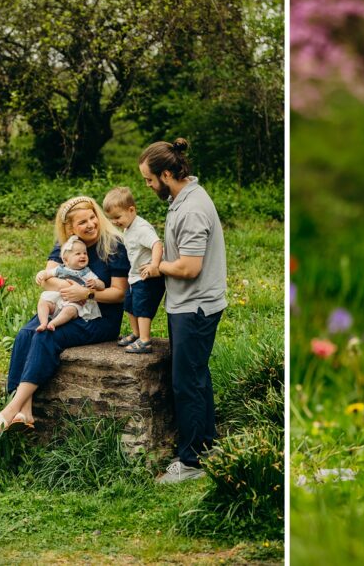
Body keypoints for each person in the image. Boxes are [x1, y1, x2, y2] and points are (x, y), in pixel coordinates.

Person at [0, 196, 130, 434]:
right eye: (83, 222)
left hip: (99, 317)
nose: (91, 224)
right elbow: (46, 282)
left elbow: (120, 294)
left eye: (93, 217)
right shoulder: (66, 245)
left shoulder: (113, 246)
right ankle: (25, 411)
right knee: (26, 333)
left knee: (46, 335)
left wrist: (86, 293)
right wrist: (69, 289)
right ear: (70, 228)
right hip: (65, 308)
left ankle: (10, 410)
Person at [137, 137, 227, 483]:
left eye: (149, 179)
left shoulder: (191, 209)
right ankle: (207, 446)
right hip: (189, 303)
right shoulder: (183, 197)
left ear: (167, 174)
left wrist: (158, 267)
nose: (148, 186)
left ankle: (191, 462)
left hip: (195, 306)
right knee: (196, 376)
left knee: (186, 383)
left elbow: (189, 267)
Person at [103, 186, 166, 354]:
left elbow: (157, 244)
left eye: (117, 217)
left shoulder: (142, 228)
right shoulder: (128, 226)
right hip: (135, 276)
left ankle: (145, 340)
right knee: (130, 305)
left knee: (142, 307)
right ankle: (137, 333)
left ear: (131, 210)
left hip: (147, 277)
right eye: (111, 219)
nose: (115, 221)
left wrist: (154, 265)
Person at [34, 236, 106, 332]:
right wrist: (41, 274)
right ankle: (43, 322)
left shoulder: (87, 272)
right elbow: (48, 273)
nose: (83, 256)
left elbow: (102, 286)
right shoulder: (60, 269)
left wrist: (96, 283)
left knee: (70, 310)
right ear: (66, 260)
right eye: (78, 254)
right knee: (43, 302)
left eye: (85, 253)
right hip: (58, 299)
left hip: (76, 302)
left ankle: (54, 323)